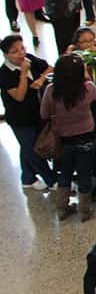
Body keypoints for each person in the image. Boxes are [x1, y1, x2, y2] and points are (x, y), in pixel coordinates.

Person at [41, 53, 96, 220]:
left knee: (64, 173)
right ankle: (84, 211)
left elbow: (44, 114)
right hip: (86, 138)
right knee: (84, 174)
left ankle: (62, 209)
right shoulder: (89, 89)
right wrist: (86, 76)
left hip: (63, 141)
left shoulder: (51, 90)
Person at [0, 34, 54, 190]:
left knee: (27, 147)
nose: (21, 53)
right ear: (6, 55)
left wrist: (41, 79)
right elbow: (19, 96)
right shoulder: (4, 73)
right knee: (32, 150)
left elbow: (49, 67)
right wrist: (24, 73)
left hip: (36, 113)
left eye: (22, 48)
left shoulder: (29, 58)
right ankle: (52, 180)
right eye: (15, 51)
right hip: (20, 119)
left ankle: (28, 178)